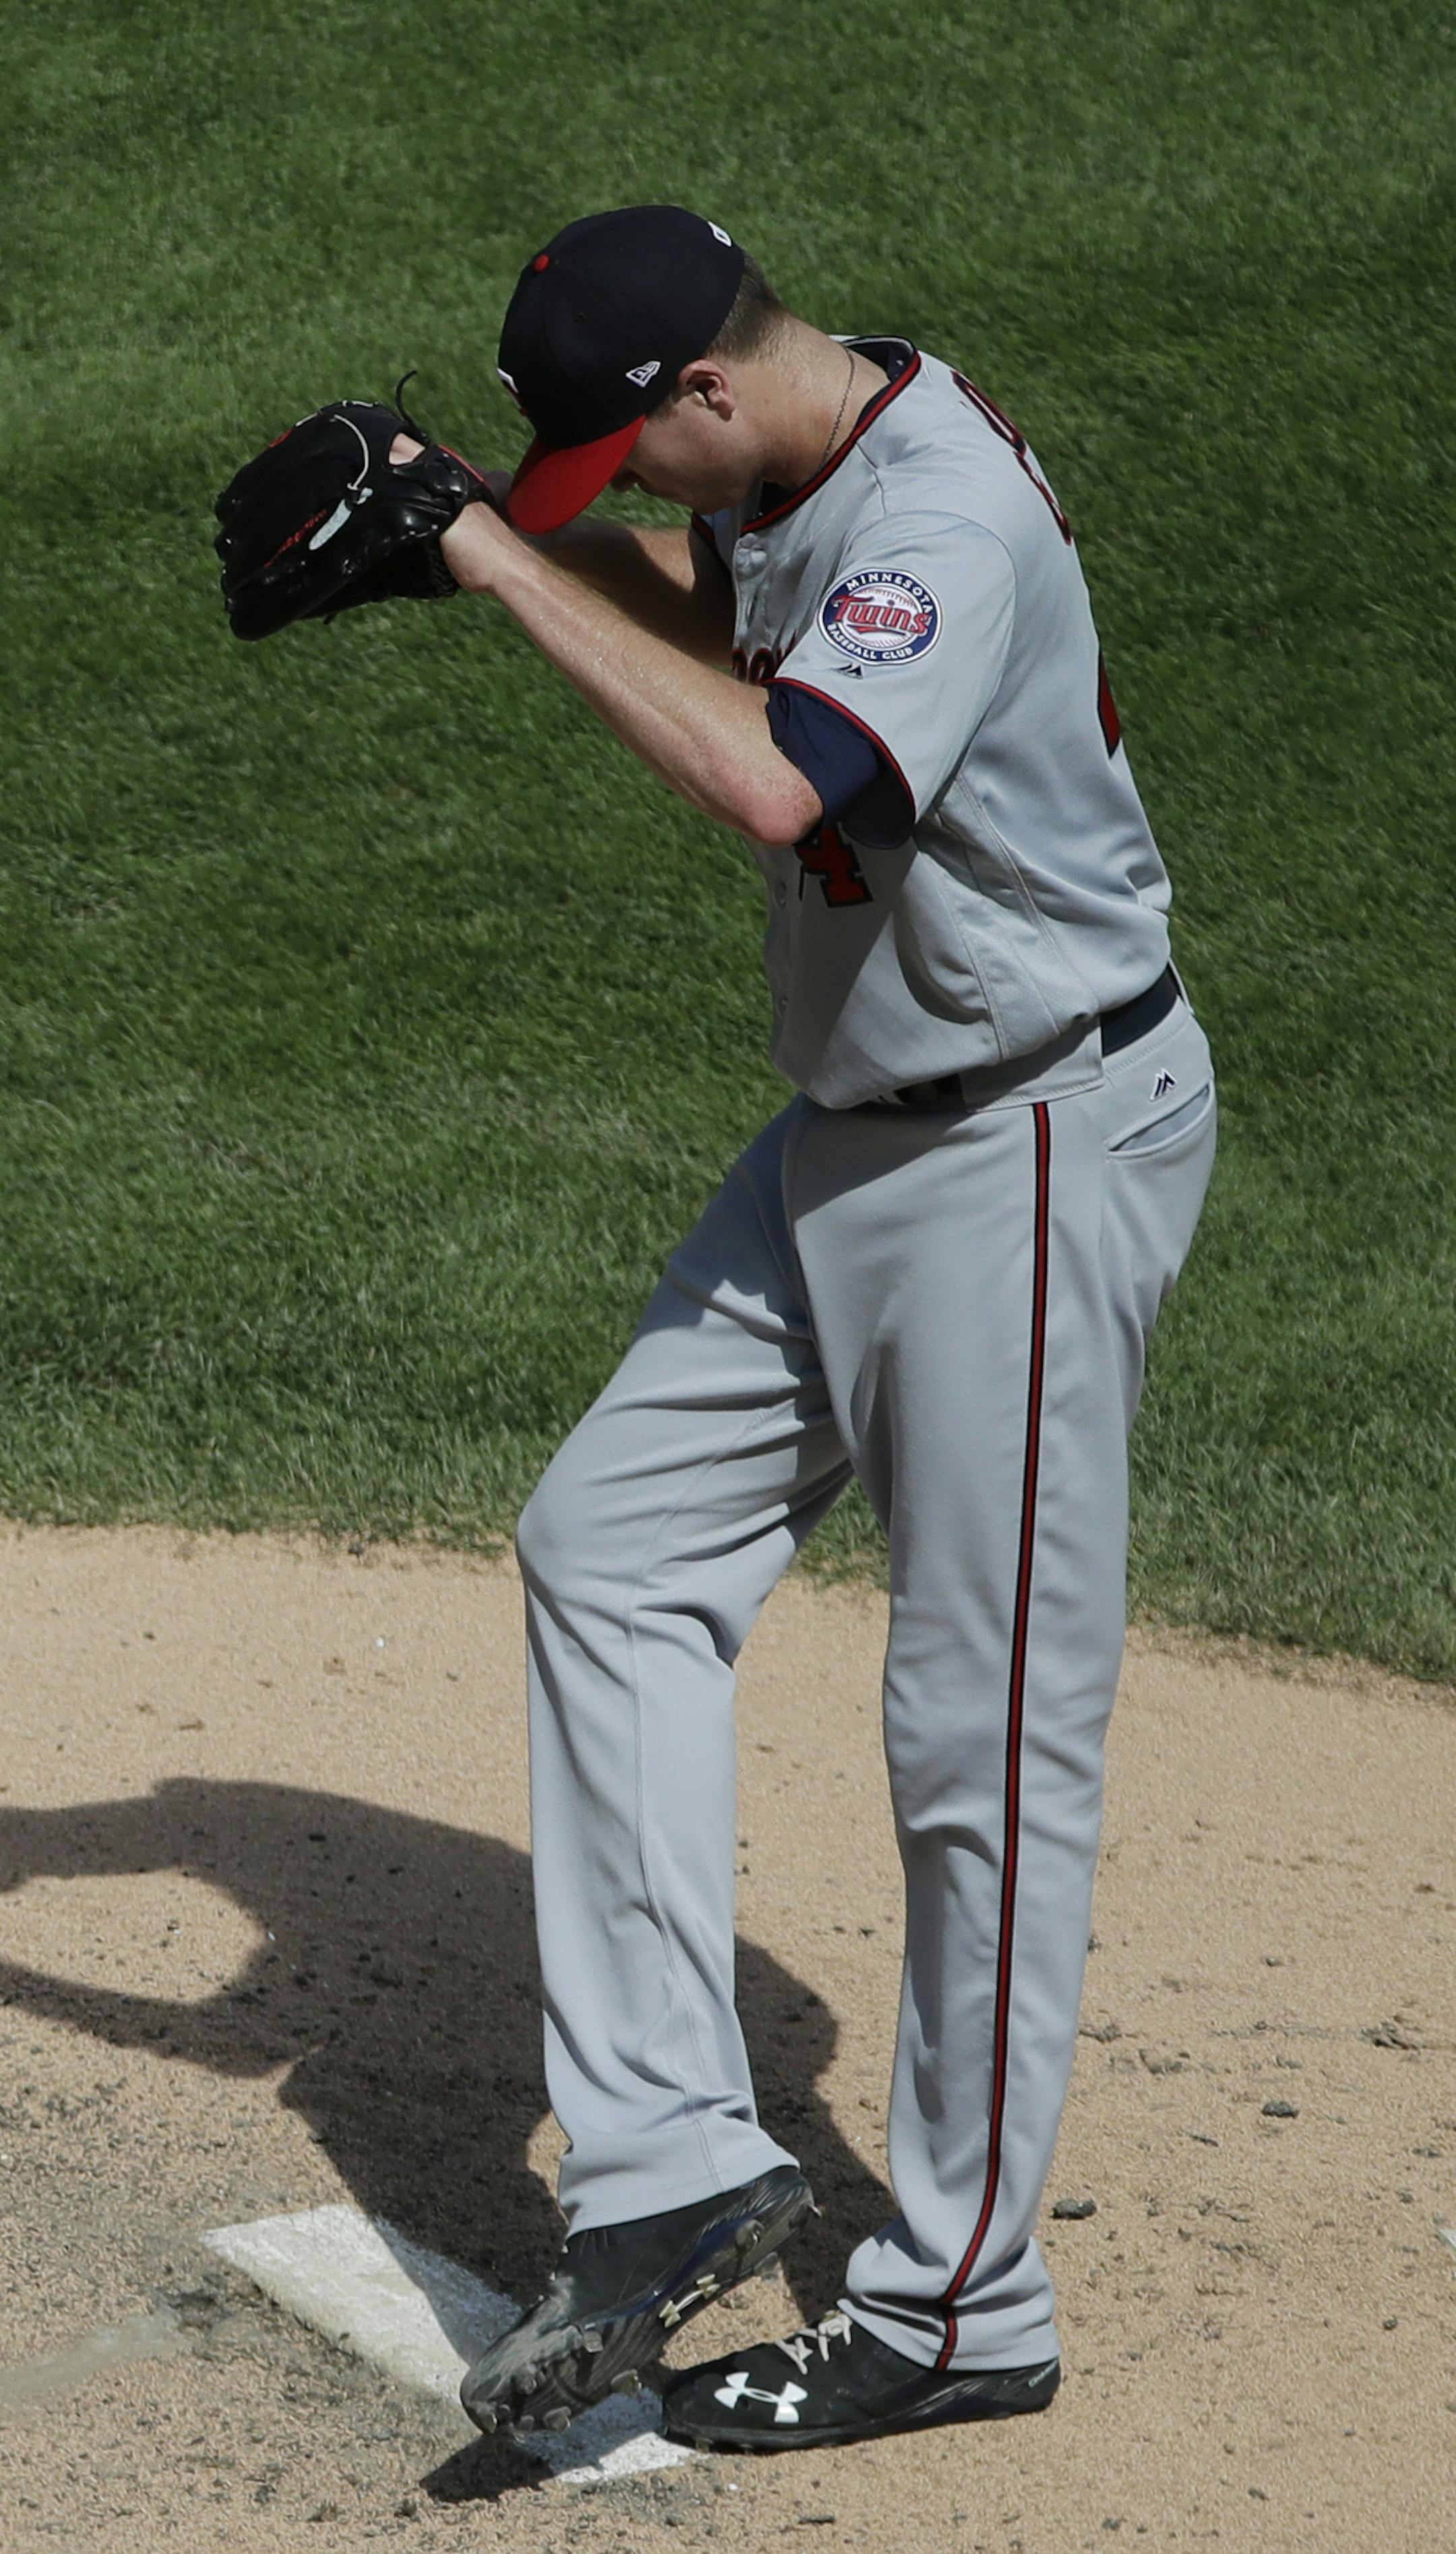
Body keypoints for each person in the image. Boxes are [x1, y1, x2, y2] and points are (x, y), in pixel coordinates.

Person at [429, 204, 1217, 2454]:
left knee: (976, 1745)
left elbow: (791, 775)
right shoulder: (799, 447)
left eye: (618, 464)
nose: (628, 510)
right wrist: (463, 509)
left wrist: (498, 575)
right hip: (853, 1145)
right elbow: (717, 604)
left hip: (1030, 1151)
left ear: (704, 390)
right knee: (610, 1544)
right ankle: (674, 2166)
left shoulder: (940, 509)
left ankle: (965, 2305)